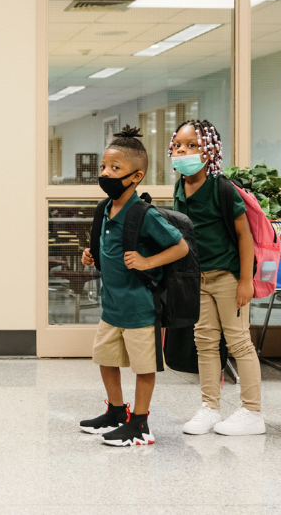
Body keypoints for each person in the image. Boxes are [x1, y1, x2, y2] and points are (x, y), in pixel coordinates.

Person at [78, 127, 188, 447]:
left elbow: (179, 247)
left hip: (140, 305)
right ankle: (115, 412)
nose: (105, 173)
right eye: (103, 167)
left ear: (136, 176)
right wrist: (90, 256)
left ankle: (139, 424)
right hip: (111, 304)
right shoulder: (104, 209)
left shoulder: (144, 213)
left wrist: (147, 262)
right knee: (106, 358)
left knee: (143, 366)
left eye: (115, 168)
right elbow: (104, 250)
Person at [170, 120, 266, 437]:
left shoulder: (221, 188)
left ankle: (252, 411)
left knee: (238, 341)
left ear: (210, 152)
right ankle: (210, 407)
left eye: (192, 145)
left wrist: (245, 281)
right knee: (205, 342)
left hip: (228, 275)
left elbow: (244, 235)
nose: (183, 151)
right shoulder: (179, 186)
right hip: (197, 278)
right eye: (178, 145)